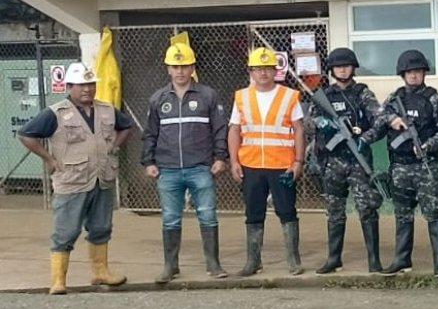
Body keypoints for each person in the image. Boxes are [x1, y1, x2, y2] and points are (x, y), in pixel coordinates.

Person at [18, 62, 132, 294]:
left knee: (101, 227)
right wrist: (49, 159)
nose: (87, 89)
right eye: (81, 85)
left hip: (102, 178)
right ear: (69, 87)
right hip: (71, 181)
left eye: (90, 84)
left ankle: (101, 272)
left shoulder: (106, 109)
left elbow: (126, 127)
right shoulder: (55, 112)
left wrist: (113, 147)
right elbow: (26, 134)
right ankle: (58, 280)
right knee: (66, 231)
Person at [142, 42, 230, 283]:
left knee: (208, 215)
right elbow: (150, 132)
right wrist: (148, 161)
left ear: (192, 67)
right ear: (168, 69)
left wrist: (220, 157)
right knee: (170, 217)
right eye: (175, 66)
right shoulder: (158, 98)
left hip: (201, 166)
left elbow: (220, 129)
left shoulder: (208, 95)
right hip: (167, 169)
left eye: (184, 66)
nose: (180, 71)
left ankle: (213, 264)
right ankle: (171, 266)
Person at [365, 50, 438, 277]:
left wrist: (429, 145)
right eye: (410, 72)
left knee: (433, 213)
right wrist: (390, 120)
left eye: (418, 71)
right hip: (400, 166)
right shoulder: (395, 99)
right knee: (403, 214)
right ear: (403, 74)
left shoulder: (434, 99)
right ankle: (402, 259)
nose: (414, 75)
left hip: (426, 165)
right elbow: (379, 121)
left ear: (424, 73)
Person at [306, 47, 385, 275]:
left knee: (367, 208)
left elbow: (379, 121)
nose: (342, 69)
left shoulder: (363, 94)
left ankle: (374, 260)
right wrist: (321, 123)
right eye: (338, 66)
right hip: (332, 162)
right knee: (334, 211)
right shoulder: (323, 96)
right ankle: (333, 259)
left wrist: (365, 138)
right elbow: (307, 124)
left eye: (346, 65)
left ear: (353, 68)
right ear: (332, 69)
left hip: (359, 161)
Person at [228, 47, 305, 277]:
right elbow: (234, 130)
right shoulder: (241, 97)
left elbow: (299, 130)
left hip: (282, 164)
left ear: (276, 71)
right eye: (258, 69)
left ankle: (293, 259)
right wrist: (234, 161)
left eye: (267, 69)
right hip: (251, 164)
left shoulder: (290, 96)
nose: (263, 73)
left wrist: (298, 162)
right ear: (251, 71)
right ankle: (253, 261)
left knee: (287, 211)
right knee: (253, 213)